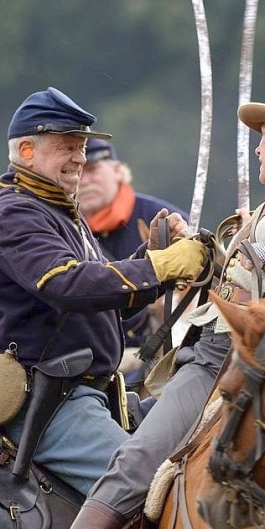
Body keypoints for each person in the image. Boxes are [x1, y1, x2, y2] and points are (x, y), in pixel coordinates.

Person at [63, 89, 265, 529]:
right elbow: (243, 279)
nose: (257, 146)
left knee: (134, 463)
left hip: (234, 358)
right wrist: (195, 244)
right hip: (221, 351)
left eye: (264, 135)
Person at [0, 87, 206, 529]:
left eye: (82, 146)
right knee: (153, 496)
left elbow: (105, 302)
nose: (80, 158)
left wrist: (156, 253)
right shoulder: (16, 212)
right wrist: (160, 266)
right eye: (67, 146)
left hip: (84, 394)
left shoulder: (60, 210)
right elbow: (68, 286)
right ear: (26, 150)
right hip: (50, 401)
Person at [77, 139, 189, 378]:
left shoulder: (161, 218)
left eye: (93, 170)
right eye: (78, 171)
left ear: (118, 171)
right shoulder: (64, 227)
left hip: (153, 353)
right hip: (88, 356)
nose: (84, 181)